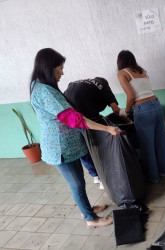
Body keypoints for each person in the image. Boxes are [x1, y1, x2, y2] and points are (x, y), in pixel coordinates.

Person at [30, 48, 122, 228]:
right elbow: (74, 119)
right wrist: (107, 128)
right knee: (77, 184)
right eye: (59, 69)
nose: (62, 73)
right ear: (48, 68)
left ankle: (86, 208)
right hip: (61, 148)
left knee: (79, 181)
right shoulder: (44, 91)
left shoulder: (41, 87)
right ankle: (91, 219)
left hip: (67, 145)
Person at [116, 50, 165, 183]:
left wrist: (126, 112)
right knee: (161, 142)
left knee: (147, 146)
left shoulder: (122, 73)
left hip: (143, 110)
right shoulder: (142, 71)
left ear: (120, 62)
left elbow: (131, 96)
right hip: (156, 105)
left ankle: (154, 178)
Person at [65, 77, 126, 189]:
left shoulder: (73, 83)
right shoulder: (103, 86)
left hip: (70, 120)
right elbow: (116, 110)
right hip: (86, 119)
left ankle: (95, 176)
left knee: (84, 150)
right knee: (98, 148)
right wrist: (128, 120)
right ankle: (103, 178)